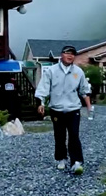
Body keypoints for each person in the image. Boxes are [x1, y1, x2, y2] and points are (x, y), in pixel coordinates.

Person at [35, 45, 92, 174]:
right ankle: (61, 159)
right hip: (57, 109)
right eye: (67, 53)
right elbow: (43, 88)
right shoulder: (51, 71)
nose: (70, 56)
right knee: (59, 136)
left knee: (74, 135)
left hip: (73, 109)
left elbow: (84, 90)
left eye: (72, 54)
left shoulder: (78, 72)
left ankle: (76, 162)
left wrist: (89, 107)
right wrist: (41, 103)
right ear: (62, 55)